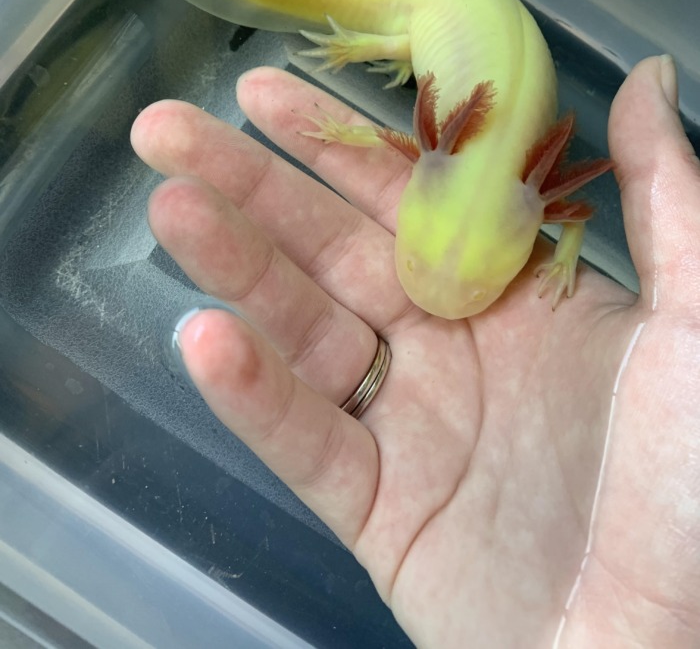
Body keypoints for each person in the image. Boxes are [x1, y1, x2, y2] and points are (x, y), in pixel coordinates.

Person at [131, 55, 700, 648]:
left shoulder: (523, 196)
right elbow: (381, 138)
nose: (440, 300)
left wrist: (561, 261)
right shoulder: (471, 172)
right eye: (413, 260)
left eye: (478, 290)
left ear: (552, 206)